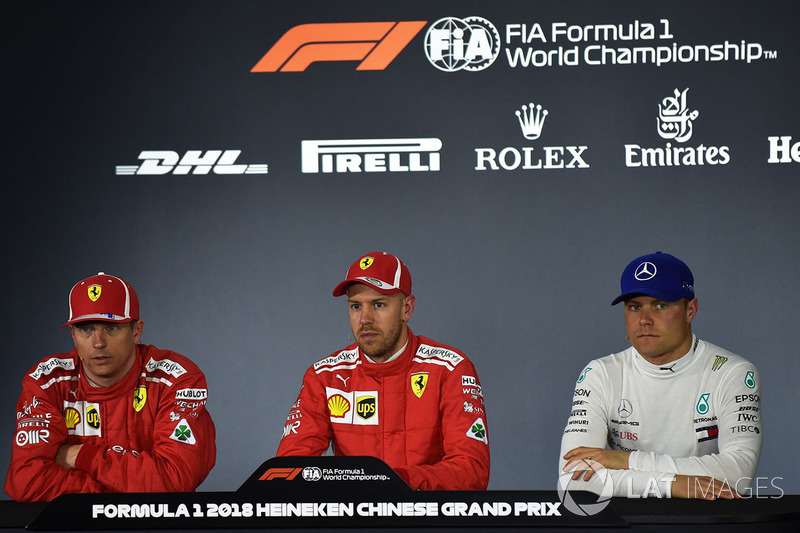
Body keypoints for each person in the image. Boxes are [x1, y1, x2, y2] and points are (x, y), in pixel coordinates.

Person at [276, 252, 490, 490]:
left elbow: (471, 473)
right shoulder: (325, 377)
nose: (365, 319)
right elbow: (289, 472)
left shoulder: (451, 369)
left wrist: (387, 483)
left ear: (406, 308)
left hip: (428, 524)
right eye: (356, 306)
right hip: (354, 523)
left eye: (378, 304)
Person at [559, 252, 762, 500]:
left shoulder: (732, 373)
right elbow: (574, 480)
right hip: (627, 524)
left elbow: (738, 474)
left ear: (691, 310)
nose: (644, 320)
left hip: (706, 523)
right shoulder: (600, 374)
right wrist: (671, 484)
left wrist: (625, 460)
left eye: (661, 305)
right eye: (634, 307)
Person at [5, 273, 216, 501]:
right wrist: (115, 499)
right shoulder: (48, 381)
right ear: (73, 335)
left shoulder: (175, 379)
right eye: (86, 329)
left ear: (136, 331)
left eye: (111, 328)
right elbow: (27, 481)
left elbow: (175, 479)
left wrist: (81, 456)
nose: (98, 342)